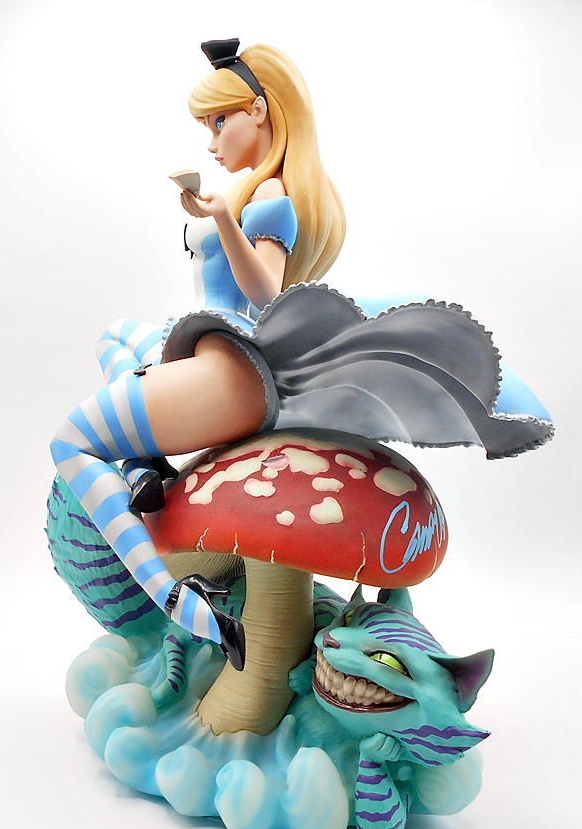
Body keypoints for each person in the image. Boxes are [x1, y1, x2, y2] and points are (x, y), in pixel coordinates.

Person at [51, 39, 553, 672]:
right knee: (115, 336)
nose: (212, 142)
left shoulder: (273, 198)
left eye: (220, 122)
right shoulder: (251, 191)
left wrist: (222, 220)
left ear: (260, 111)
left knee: (71, 443)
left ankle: (181, 604)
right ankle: (139, 467)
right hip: (201, 345)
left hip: (230, 366)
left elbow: (267, 291)